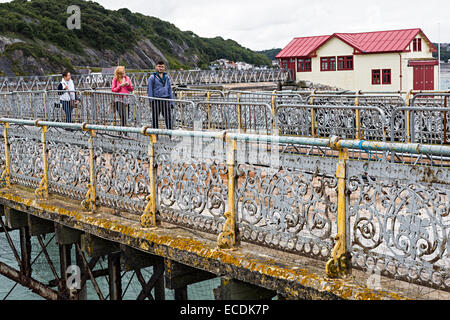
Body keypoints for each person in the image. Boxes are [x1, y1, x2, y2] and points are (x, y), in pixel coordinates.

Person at [147, 61, 174, 129]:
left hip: (166, 99)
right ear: (156, 67)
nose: (161, 68)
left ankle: (170, 134)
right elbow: (149, 90)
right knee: (155, 118)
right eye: (159, 66)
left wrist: (171, 101)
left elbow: (169, 89)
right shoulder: (152, 77)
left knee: (168, 118)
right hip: (156, 100)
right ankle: (155, 135)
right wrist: (151, 101)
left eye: (162, 67)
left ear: (164, 68)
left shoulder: (167, 77)